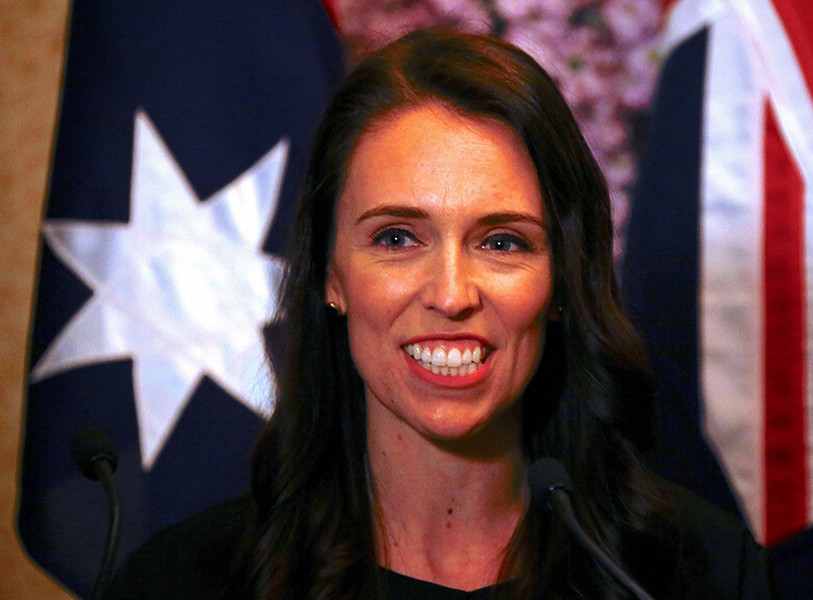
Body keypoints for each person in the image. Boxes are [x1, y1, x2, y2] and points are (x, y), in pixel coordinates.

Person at [109, 29, 771, 599]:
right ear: (333, 276)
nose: (451, 294)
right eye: (397, 238)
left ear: (563, 280)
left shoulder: (698, 574)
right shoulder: (182, 582)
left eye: (502, 242)